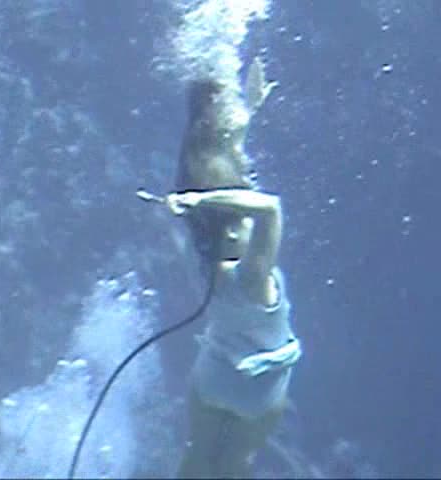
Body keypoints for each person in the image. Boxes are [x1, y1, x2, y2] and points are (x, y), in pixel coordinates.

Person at [164, 61, 302, 479]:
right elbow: (269, 208)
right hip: (258, 393)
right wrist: (204, 200)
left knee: (196, 456)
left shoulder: (204, 262)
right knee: (237, 464)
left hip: (212, 380)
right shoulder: (253, 278)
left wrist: (248, 112)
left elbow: (209, 171)